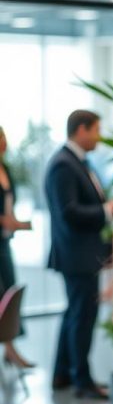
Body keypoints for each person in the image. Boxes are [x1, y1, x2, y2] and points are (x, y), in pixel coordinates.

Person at [45, 109, 113, 399]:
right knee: (82, 317)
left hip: (80, 254)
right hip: (76, 255)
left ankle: (63, 374)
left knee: (74, 315)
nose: (98, 137)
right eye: (95, 130)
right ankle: (82, 381)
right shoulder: (64, 165)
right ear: (81, 130)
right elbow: (69, 213)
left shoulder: (75, 162)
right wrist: (107, 210)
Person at [0, 126, 33, 368]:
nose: (5, 142)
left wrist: (14, 223)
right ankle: (10, 349)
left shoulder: (6, 169)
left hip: (4, 240)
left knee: (10, 293)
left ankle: (10, 348)